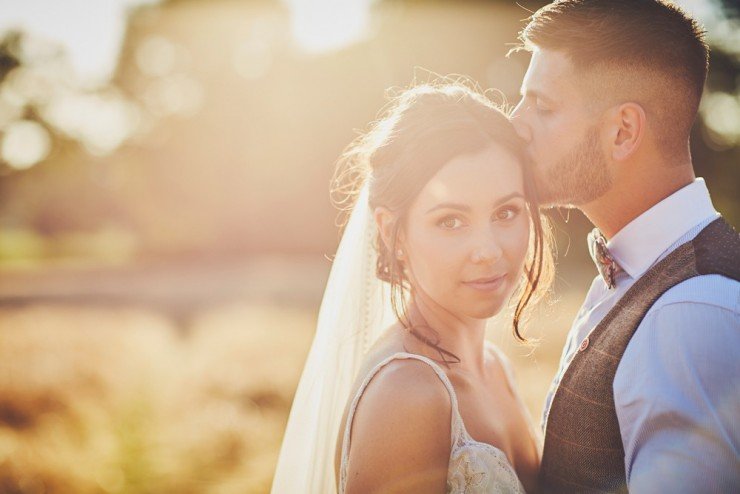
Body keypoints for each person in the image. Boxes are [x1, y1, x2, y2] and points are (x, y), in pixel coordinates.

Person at [271, 81, 554, 493]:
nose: (489, 251)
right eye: (451, 221)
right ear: (392, 233)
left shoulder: (494, 367)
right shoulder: (407, 395)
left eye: (507, 212)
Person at [510, 1, 740, 492]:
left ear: (623, 131)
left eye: (542, 106)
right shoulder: (634, 270)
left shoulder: (691, 310)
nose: (516, 124)